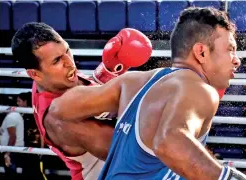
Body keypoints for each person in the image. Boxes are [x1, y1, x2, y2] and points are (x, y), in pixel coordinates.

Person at [46, 7, 246, 180]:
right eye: (230, 49)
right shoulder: (200, 89)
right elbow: (170, 143)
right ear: (201, 52)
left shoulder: (133, 81)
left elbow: (57, 112)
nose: (237, 59)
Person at [11, 22, 152, 179]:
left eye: (67, 50)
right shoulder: (61, 121)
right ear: (35, 74)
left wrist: (108, 71)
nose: (70, 63)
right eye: (57, 60)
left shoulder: (53, 79)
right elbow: (130, 154)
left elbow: (87, 94)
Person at [1, 92, 26, 179]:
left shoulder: (12, 117)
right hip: (13, 149)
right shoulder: (13, 116)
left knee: (11, 175)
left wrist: (7, 153)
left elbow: (13, 137)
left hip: (12, 150)